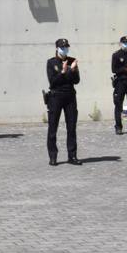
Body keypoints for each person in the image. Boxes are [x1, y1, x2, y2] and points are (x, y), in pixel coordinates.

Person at [46, 38, 82, 166]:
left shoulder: (72, 61)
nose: (65, 49)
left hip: (70, 96)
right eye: (62, 47)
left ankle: (72, 156)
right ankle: (53, 156)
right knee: (53, 127)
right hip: (56, 97)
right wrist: (63, 72)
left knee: (71, 127)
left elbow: (76, 80)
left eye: (66, 47)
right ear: (57, 48)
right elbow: (53, 82)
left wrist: (72, 70)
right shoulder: (51, 62)